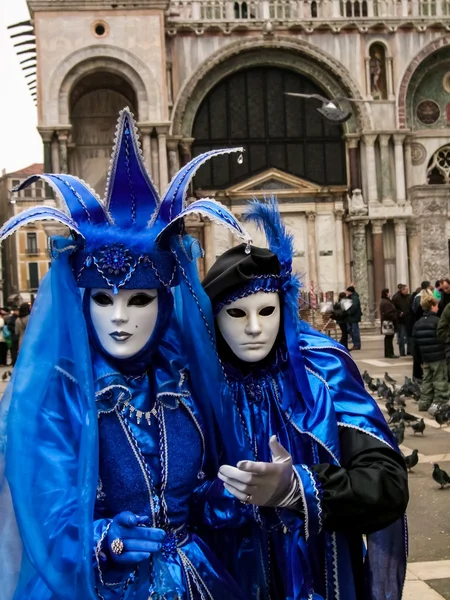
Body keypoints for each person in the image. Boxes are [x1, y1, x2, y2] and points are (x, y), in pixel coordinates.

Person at [0, 109, 250, 600]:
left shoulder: (184, 383)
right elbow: (40, 512)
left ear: (164, 304)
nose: (119, 317)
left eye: (138, 299)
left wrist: (234, 494)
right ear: (81, 300)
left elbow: (196, 492)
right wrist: (100, 541)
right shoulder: (62, 397)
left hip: (193, 580)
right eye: (102, 299)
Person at [174, 199, 408, 600]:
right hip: (231, 580)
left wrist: (300, 487)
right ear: (213, 319)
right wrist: (223, 499)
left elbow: (386, 483)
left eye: (267, 311)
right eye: (236, 314)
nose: (253, 328)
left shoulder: (322, 371)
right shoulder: (192, 385)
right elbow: (166, 500)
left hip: (324, 578)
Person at [413, 295, 449, 414]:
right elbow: (442, 337)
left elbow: (415, 344)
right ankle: (440, 403)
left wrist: (419, 360)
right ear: (432, 307)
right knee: (440, 381)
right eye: (437, 306)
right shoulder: (437, 322)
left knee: (427, 381)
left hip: (425, 357)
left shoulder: (417, 323)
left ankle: (424, 403)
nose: (438, 308)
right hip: (438, 356)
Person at [392, 284, 411, 357]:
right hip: (400, 320)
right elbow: (393, 308)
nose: (407, 291)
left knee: (408, 336)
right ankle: (402, 351)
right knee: (401, 336)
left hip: (408, 318)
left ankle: (409, 350)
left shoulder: (408, 296)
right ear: (402, 290)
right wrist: (399, 313)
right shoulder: (396, 297)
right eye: (406, 289)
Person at [380, 288, 398, 359]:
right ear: (386, 293)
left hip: (387, 321)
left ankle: (387, 353)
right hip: (388, 322)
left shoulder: (385, 301)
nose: (390, 293)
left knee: (388, 337)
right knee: (389, 337)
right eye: (389, 292)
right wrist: (395, 315)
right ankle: (390, 353)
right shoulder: (386, 302)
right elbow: (388, 313)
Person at [345, 285, 362, 350]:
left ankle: (357, 344)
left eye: (347, 292)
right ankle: (355, 342)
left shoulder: (354, 298)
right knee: (349, 329)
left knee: (355, 331)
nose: (346, 293)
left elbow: (354, 307)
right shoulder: (351, 297)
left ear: (350, 292)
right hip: (351, 317)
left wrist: (349, 312)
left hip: (353, 317)